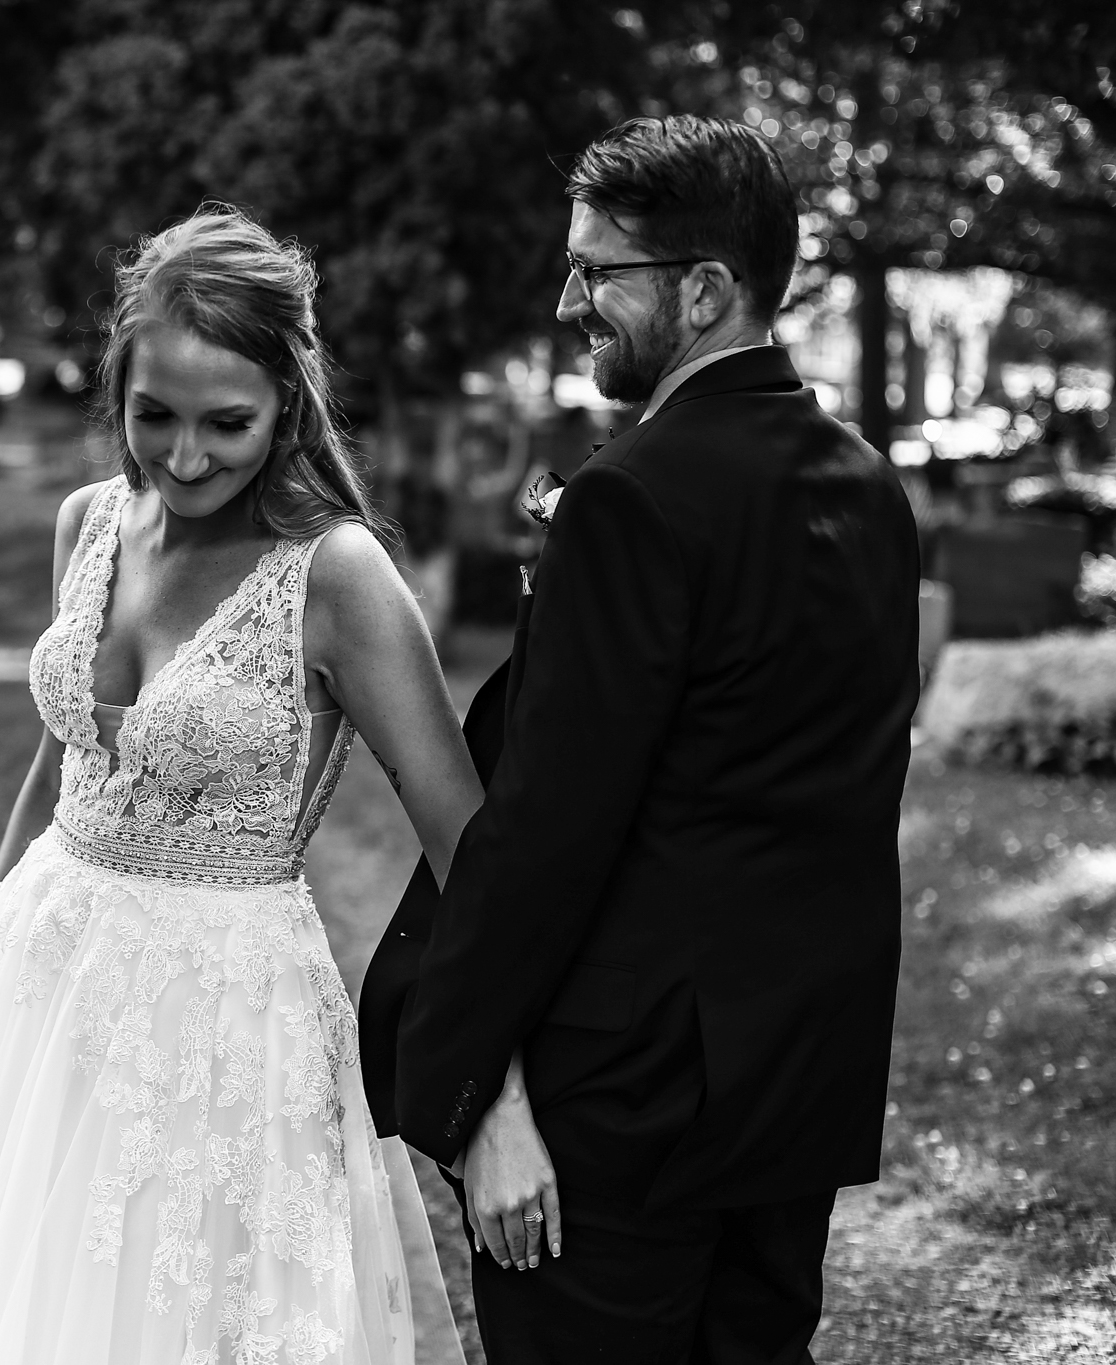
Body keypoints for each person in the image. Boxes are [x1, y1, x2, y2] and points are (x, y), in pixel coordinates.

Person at [0, 207, 484, 1365]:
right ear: (116, 394)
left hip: (226, 1021)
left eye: (225, 423)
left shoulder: (333, 575)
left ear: (288, 400)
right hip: (44, 982)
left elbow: (465, 845)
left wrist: (502, 1096)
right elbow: (64, 762)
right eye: (153, 418)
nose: (183, 458)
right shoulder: (88, 521)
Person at [363, 116, 921, 1363]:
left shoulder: (631, 498)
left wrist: (469, 1091)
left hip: (622, 1113)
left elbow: (551, 831)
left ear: (707, 289)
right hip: (794, 1089)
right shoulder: (866, 488)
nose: (569, 302)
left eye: (599, 273)